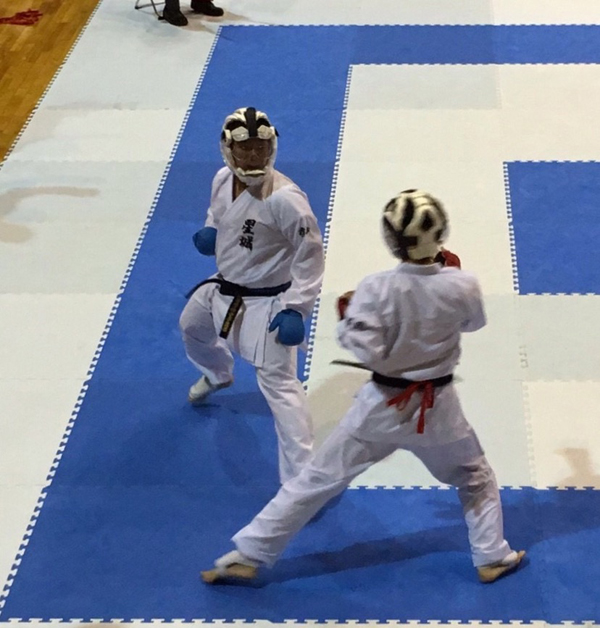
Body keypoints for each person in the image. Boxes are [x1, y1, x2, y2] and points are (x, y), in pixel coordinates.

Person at [200, 189, 525, 585]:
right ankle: (491, 554)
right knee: (475, 477)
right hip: (439, 410)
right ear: (442, 233)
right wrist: (445, 291)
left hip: (379, 408)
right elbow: (473, 323)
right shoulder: (463, 284)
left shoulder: (375, 288)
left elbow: (364, 350)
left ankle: (248, 554)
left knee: (315, 480)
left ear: (392, 240)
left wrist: (350, 315)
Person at [179, 107, 325, 484]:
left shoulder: (286, 199)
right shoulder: (221, 179)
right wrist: (211, 230)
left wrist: (297, 308)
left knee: (281, 389)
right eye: (245, 150)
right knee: (192, 326)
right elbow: (217, 213)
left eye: (260, 149)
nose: (253, 157)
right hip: (224, 286)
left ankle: (303, 481)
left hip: (269, 302)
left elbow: (311, 254)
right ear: (228, 150)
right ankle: (218, 373)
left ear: (271, 148)